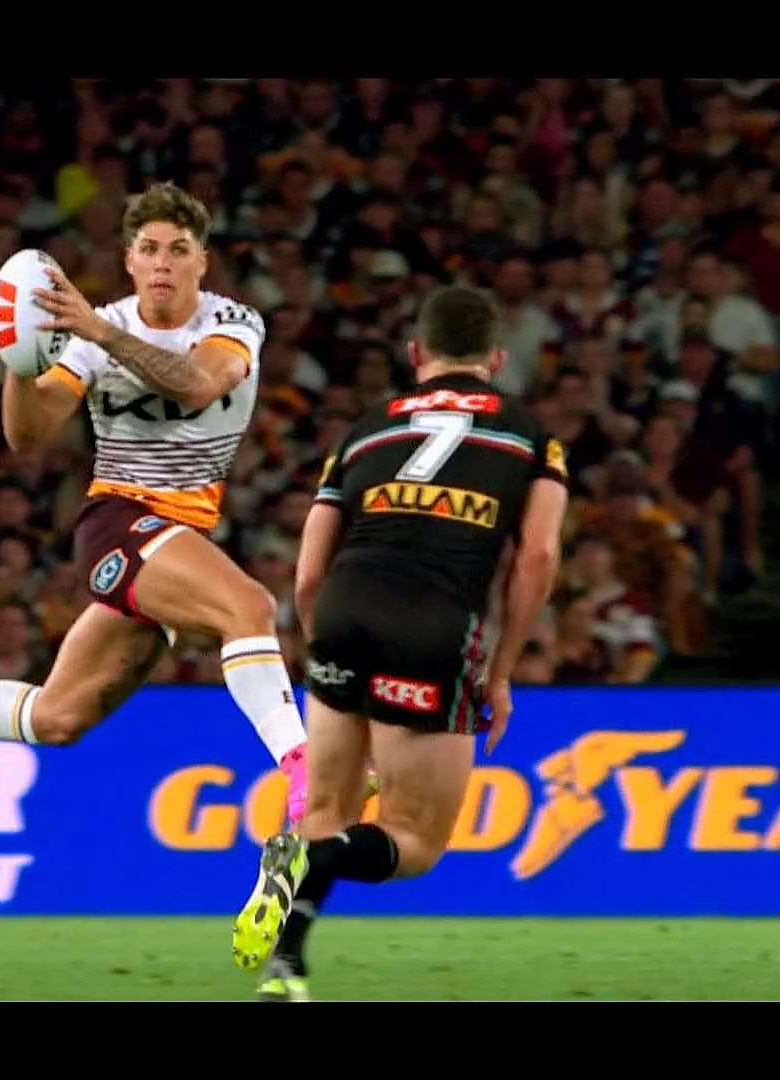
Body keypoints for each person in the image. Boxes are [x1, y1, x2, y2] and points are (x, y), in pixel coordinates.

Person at [0, 182, 312, 822]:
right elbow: (27, 436)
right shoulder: (91, 334)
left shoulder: (230, 322)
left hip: (179, 535)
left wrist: (100, 332)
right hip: (118, 524)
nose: (163, 263)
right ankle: (305, 766)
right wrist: (20, 362)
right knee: (250, 606)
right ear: (129, 259)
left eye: (178, 249)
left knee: (57, 717)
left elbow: (196, 385)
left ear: (202, 261)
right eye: (149, 249)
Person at [229, 285, 569, 999]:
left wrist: (324, 644)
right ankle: (309, 868)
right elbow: (537, 557)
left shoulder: (363, 431)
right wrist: (501, 671)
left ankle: (286, 965)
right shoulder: (531, 437)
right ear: (496, 360)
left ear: (416, 353)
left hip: (344, 608)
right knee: (413, 841)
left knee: (325, 813)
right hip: (432, 625)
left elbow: (309, 569)